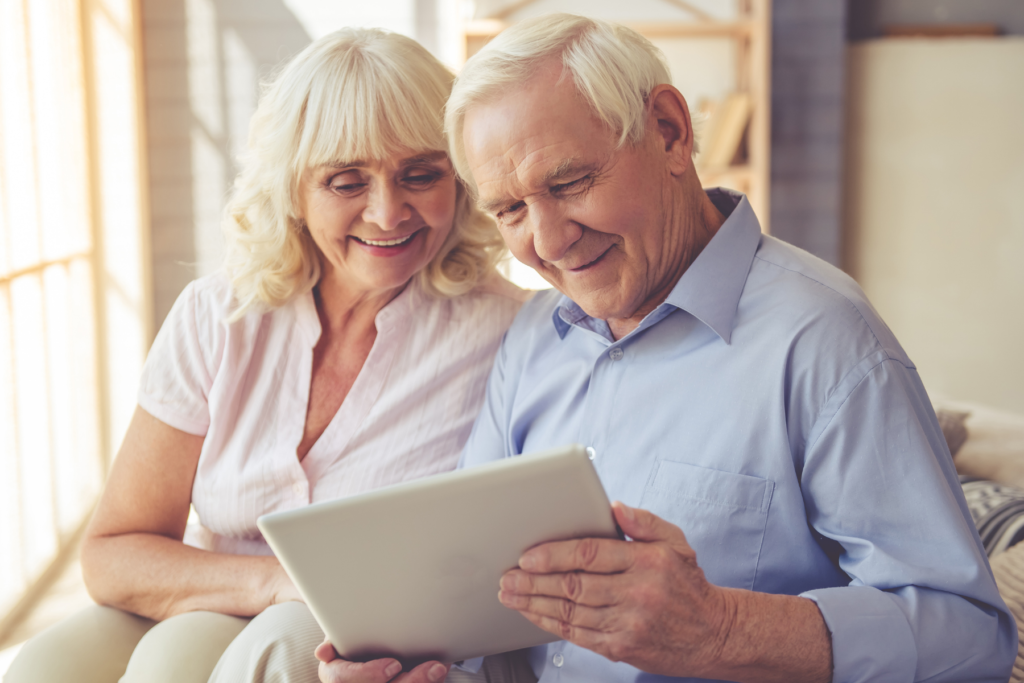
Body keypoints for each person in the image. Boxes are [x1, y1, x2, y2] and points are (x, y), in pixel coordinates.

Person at [318, 13, 1016, 683]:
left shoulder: (826, 343)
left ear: (670, 132)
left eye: (569, 183)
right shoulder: (533, 337)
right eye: (510, 210)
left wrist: (721, 627)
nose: (550, 241)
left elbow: (971, 635)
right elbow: (472, 611)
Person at [6, 27, 526, 683]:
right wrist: (276, 582)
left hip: (377, 631)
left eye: (421, 175)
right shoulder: (215, 315)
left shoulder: (510, 332)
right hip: (232, 591)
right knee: (48, 664)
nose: (388, 212)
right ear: (294, 190)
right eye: (346, 181)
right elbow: (113, 553)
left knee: (268, 646)